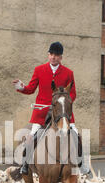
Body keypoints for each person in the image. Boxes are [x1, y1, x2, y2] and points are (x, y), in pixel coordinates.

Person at [13, 41, 89, 175]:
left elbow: (73, 93)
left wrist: (64, 102)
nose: (53, 57)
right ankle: (25, 165)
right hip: (41, 111)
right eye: (51, 54)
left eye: (57, 55)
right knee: (31, 137)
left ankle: (81, 164)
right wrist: (22, 88)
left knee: (77, 135)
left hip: (62, 112)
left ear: (61, 57)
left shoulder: (68, 73)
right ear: (48, 55)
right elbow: (31, 89)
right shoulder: (39, 70)